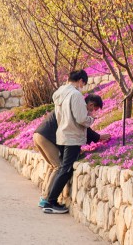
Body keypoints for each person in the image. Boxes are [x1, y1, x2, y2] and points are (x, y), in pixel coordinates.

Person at [33, 93, 107, 208]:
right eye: (94, 109)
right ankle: (47, 200)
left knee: (54, 166)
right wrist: (100, 137)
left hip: (39, 134)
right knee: (59, 167)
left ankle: (44, 197)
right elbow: (82, 128)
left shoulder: (75, 105)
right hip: (46, 137)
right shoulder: (79, 108)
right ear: (91, 105)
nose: (93, 112)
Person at [41, 69, 93, 214]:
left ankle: (49, 200)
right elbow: (81, 118)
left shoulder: (60, 93)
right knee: (65, 170)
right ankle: (51, 202)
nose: (82, 87)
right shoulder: (75, 95)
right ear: (81, 80)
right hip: (72, 136)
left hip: (62, 134)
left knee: (63, 168)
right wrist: (91, 119)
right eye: (83, 84)